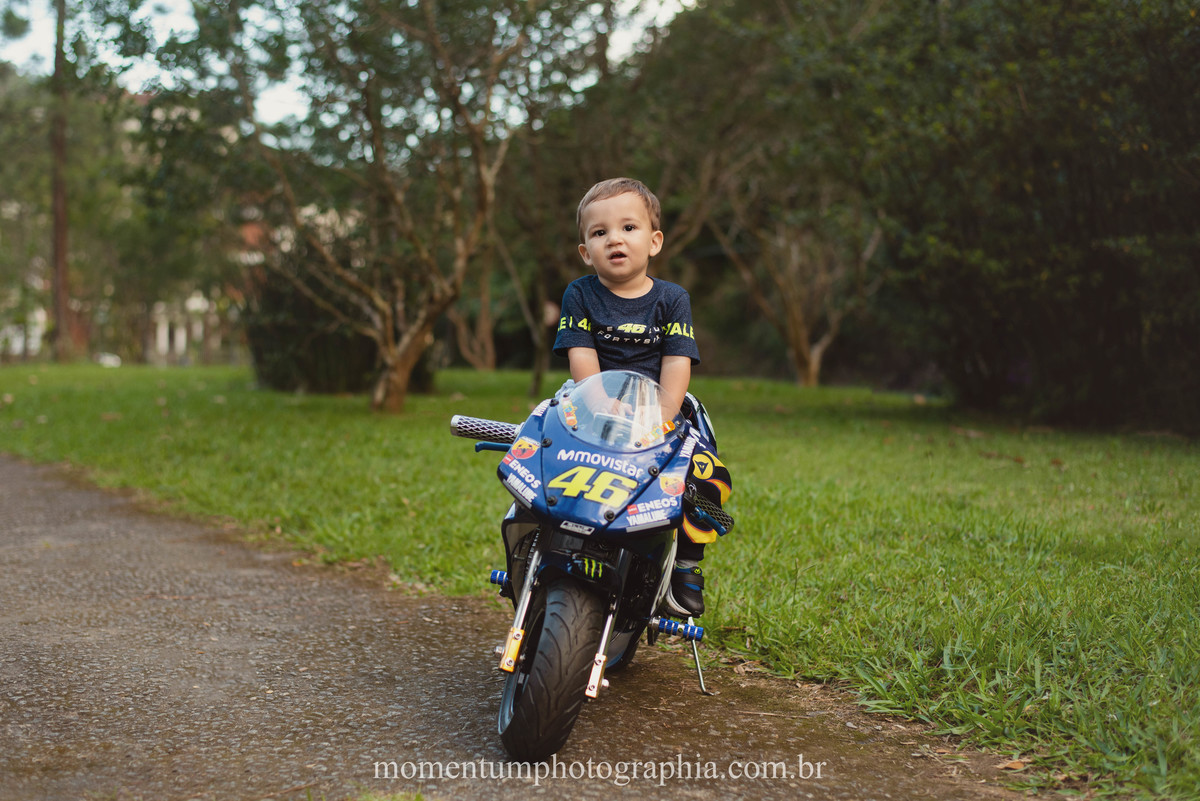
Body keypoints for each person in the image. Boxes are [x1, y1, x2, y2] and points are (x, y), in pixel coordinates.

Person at [553, 177, 732, 618]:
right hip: (591, 397)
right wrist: (598, 402)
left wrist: (664, 413)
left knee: (709, 474)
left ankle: (687, 567)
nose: (614, 238)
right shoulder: (580, 293)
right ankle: (539, 536)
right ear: (585, 251)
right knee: (542, 449)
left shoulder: (672, 299)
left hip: (662, 403)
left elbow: (676, 364)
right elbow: (582, 355)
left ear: (653, 241)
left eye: (628, 228)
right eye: (599, 233)